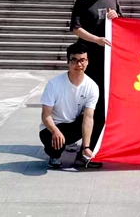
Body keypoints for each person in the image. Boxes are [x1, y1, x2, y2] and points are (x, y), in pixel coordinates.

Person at [70, 0, 122, 151]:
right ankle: (77, 138)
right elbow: (76, 28)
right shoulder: (82, 2)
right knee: (84, 99)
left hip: (106, 60)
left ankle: (93, 142)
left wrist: (116, 18)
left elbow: (122, 26)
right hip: (86, 60)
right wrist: (96, 40)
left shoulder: (113, 0)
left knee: (101, 102)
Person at [39, 41, 101, 169]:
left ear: (88, 62)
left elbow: (88, 117)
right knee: (54, 144)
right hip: (54, 127)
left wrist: (86, 146)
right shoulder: (54, 84)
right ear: (68, 61)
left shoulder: (92, 86)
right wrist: (55, 131)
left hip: (73, 125)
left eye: (82, 60)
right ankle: (54, 156)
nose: (79, 64)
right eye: (74, 60)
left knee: (99, 117)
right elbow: (46, 116)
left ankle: (84, 155)